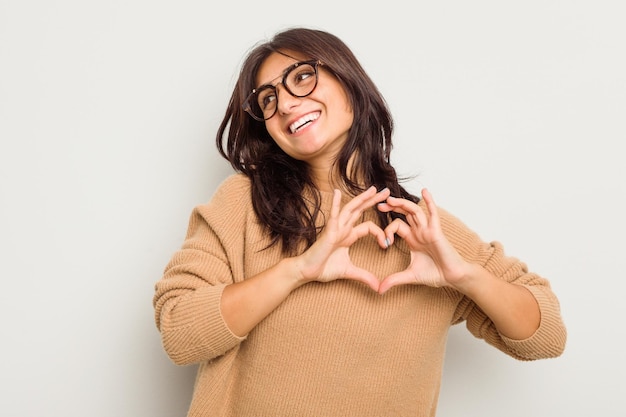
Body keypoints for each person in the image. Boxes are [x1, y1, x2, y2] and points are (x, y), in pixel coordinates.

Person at [153, 27, 567, 417]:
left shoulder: (422, 231)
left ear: (349, 80)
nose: (285, 104)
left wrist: (464, 276)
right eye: (267, 100)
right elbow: (179, 331)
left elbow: (546, 336)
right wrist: (297, 270)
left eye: (301, 77)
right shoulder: (244, 203)